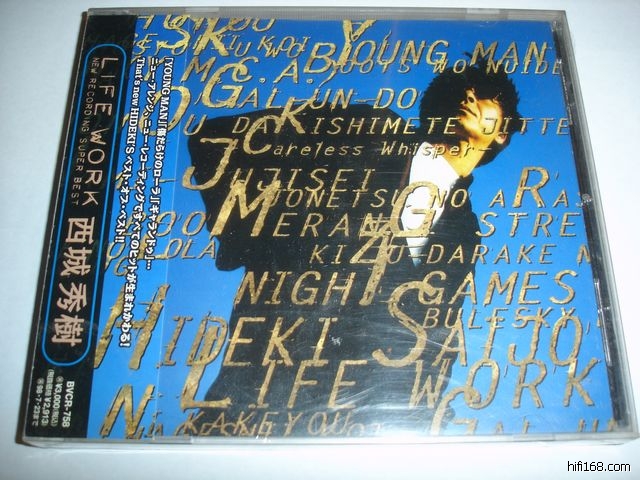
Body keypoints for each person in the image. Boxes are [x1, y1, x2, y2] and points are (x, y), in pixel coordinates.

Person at [185, 61, 520, 437]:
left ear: (502, 134)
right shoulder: (370, 128)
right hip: (259, 393)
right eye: (461, 89)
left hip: (356, 425)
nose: (469, 95)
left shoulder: (464, 231)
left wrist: (420, 420)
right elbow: (216, 139)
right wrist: (265, 247)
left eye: (485, 96)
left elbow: (436, 335)